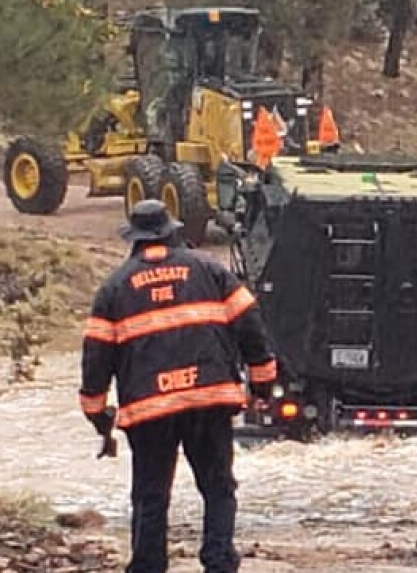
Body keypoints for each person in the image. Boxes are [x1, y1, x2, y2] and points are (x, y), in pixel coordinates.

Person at [79, 200, 278, 573]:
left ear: (134, 240)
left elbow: (96, 359)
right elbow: (250, 325)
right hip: (209, 399)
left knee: (151, 495)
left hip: (150, 410)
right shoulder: (211, 271)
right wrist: (262, 385)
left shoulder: (114, 288)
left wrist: (96, 415)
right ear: (173, 231)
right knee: (218, 488)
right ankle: (219, 562)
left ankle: (148, 566)